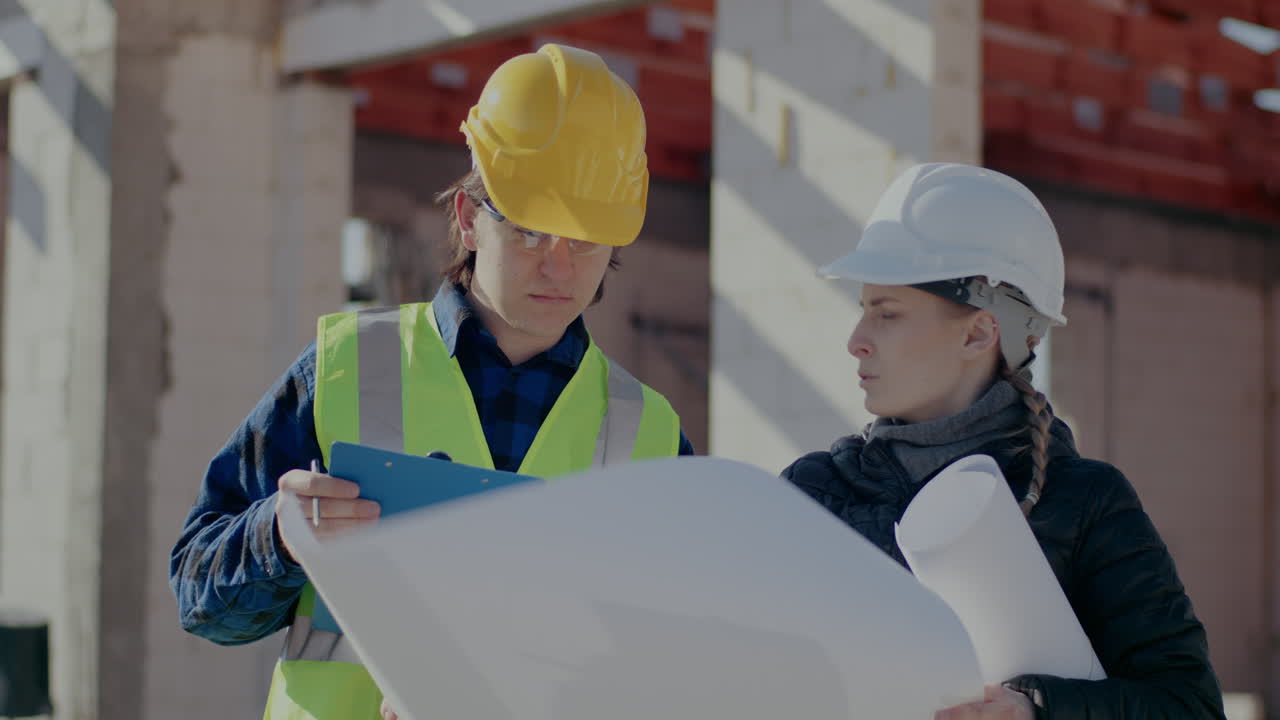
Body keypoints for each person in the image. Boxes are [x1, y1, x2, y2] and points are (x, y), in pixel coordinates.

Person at [170, 43, 694, 720]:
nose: (560, 266)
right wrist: (278, 534)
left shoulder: (648, 436)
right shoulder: (346, 368)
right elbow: (197, 596)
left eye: (586, 237)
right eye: (532, 230)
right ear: (470, 219)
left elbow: (675, 672)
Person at [782, 163, 1225, 719]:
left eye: (887, 315)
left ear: (977, 334)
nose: (857, 341)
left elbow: (1189, 708)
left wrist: (1035, 709)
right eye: (863, 311)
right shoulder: (811, 493)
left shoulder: (1088, 505)